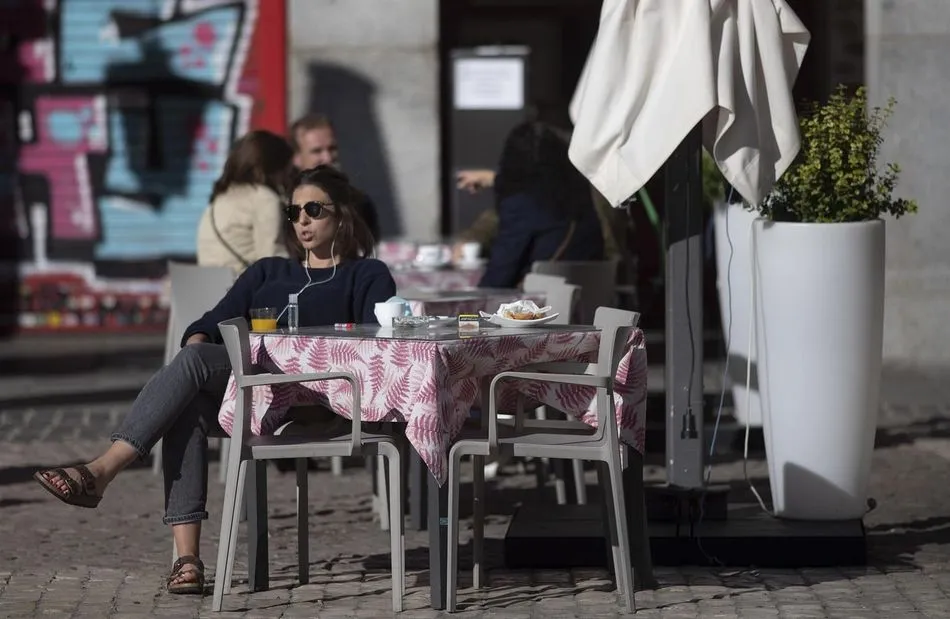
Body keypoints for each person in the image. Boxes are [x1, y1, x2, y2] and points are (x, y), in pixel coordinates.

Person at [31, 166, 396, 595]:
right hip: (259, 388)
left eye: (313, 209)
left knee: (197, 361)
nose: (302, 220)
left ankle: (102, 470)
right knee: (186, 400)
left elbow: (380, 342)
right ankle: (187, 560)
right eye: (294, 211)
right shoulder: (268, 271)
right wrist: (200, 336)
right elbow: (209, 321)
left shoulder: (366, 275)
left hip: (320, 394)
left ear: (342, 216)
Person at [458, 116, 605, 289]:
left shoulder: (520, 205)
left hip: (537, 306)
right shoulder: (583, 192)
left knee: (461, 315)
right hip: (592, 300)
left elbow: (500, 275)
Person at [196, 130, 295, 276]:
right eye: (287, 170)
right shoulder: (264, 199)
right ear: (275, 168)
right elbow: (273, 260)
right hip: (242, 291)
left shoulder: (221, 198)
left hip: (208, 292)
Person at [290, 113, 381, 242]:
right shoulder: (284, 204)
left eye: (332, 148)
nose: (328, 158)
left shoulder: (358, 203)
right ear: (296, 157)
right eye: (317, 151)